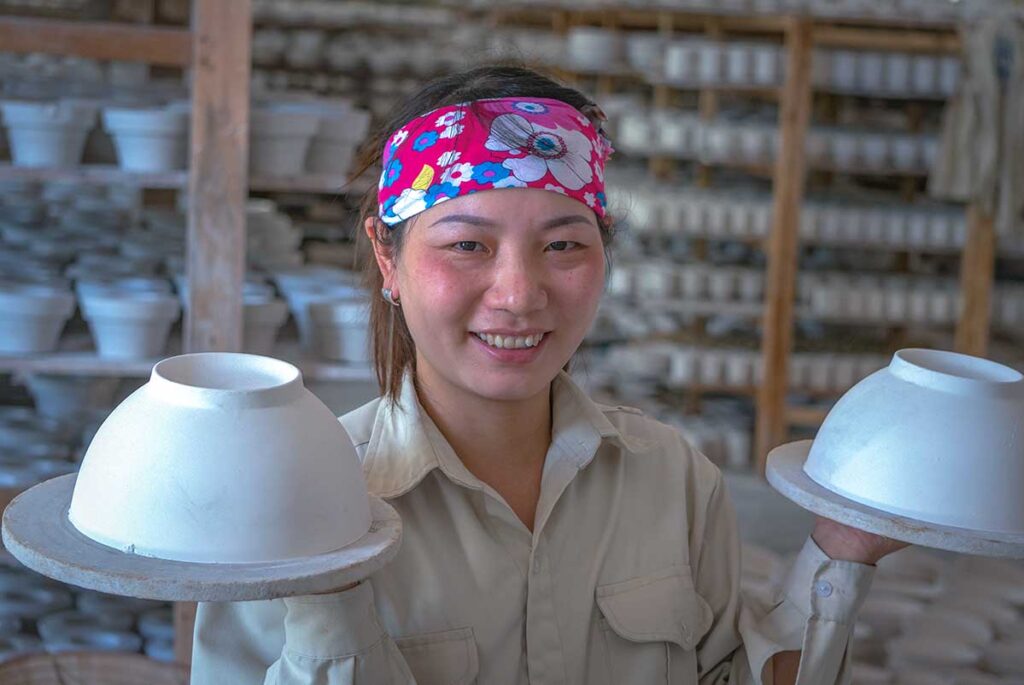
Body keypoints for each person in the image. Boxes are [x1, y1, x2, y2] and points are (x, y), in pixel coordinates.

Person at [191, 64, 904, 685]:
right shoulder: (294, 508)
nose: (518, 292)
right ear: (388, 258)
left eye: (563, 243)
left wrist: (838, 554)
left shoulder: (674, 480)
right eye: (468, 243)